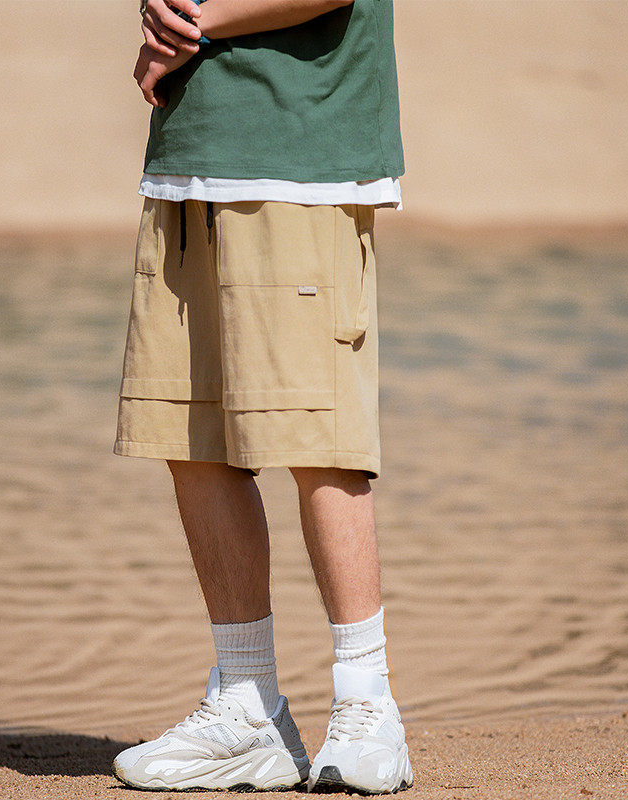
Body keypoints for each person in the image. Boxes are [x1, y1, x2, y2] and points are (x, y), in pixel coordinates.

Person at [112, 0, 413, 793]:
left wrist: (193, 23)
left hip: (298, 158)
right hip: (187, 160)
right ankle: (249, 708)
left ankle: (368, 703)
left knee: (320, 440)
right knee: (193, 439)